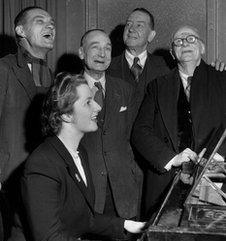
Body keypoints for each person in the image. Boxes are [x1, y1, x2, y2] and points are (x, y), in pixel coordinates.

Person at [0, 73, 145, 241]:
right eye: (88, 102)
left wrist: (129, 226)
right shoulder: (42, 164)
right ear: (66, 115)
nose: (98, 107)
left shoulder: (78, 153)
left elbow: (84, 217)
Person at [132, 25, 226, 219]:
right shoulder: (157, 87)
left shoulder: (222, 79)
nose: (185, 43)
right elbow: (140, 132)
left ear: (202, 47)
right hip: (167, 187)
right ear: (172, 53)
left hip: (217, 181)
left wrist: (217, 159)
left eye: (191, 39)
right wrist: (171, 159)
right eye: (178, 41)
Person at [0, 5, 55, 241]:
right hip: (7, 181)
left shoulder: (51, 74)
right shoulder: (4, 68)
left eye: (52, 22)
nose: (50, 26)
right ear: (20, 30)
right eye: (40, 21)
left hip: (39, 180)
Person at [79, 29, 143, 219]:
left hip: (123, 190)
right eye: (95, 47)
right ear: (82, 53)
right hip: (86, 189)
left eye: (107, 48)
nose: (102, 54)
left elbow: (134, 135)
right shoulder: (68, 88)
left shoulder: (124, 89)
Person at [108, 7, 170, 116]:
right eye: (128, 24)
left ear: (151, 36)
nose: (131, 29)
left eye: (139, 25)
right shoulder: (108, 67)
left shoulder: (164, 68)